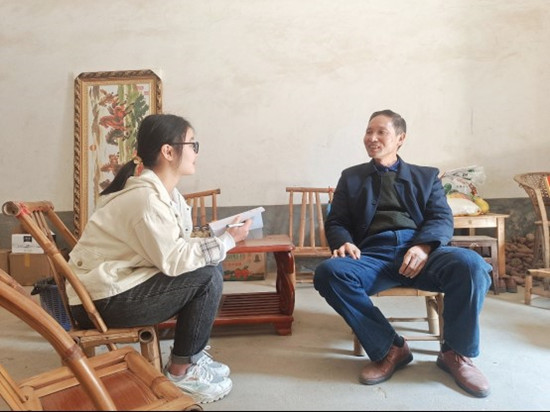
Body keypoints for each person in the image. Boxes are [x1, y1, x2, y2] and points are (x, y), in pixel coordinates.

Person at [66, 113, 252, 404]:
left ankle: (190, 357)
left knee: (210, 266)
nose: (196, 152)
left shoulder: (166, 195)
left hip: (116, 287)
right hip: (102, 302)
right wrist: (228, 240)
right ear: (168, 151)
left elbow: (177, 243)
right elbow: (175, 260)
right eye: (192, 144)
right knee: (207, 276)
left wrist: (219, 235)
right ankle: (181, 371)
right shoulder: (146, 199)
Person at [313, 109, 492, 398]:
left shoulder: (426, 176)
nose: (372, 138)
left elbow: (440, 217)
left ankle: (456, 353)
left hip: (421, 250)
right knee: (328, 273)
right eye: (368, 131)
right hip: (372, 254)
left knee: (471, 265)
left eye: (381, 132)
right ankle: (390, 348)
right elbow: (337, 221)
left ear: (400, 138)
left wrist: (423, 246)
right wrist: (343, 241)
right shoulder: (351, 177)